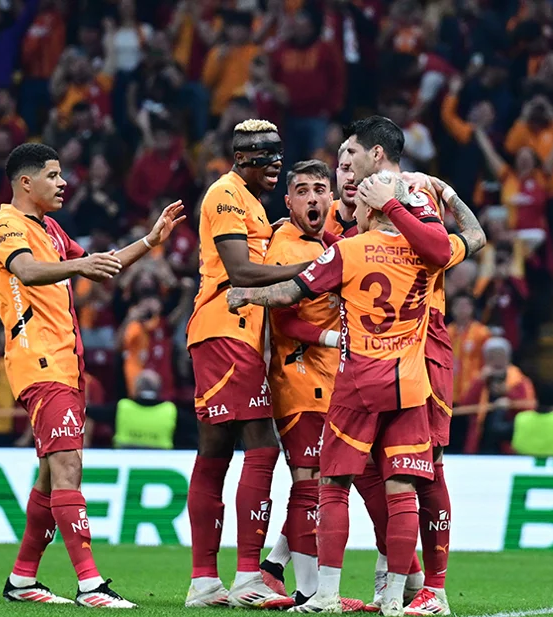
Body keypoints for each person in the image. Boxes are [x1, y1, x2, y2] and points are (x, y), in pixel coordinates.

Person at [226, 171, 466, 616]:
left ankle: (326, 595)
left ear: (371, 209)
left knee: (332, 487)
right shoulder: (426, 253)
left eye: (358, 205)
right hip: (410, 386)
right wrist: (445, 192)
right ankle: (394, 597)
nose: (349, 211)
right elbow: (474, 235)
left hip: (358, 384)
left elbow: (290, 292)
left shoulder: (348, 251)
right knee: (402, 492)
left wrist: (247, 295)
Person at [0, 141, 185, 607]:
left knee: (50, 477)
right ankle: (90, 585)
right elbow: (27, 271)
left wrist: (150, 242)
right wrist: (79, 264)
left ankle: (22, 580)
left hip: (66, 364)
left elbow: (101, 265)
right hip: (39, 362)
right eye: (53, 176)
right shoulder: (5, 226)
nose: (63, 183)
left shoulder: (50, 228)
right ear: (26, 182)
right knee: (69, 467)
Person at [346, 117, 486, 615]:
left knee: (425, 468)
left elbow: (451, 245)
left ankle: (435, 588)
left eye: (350, 155)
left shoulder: (411, 192)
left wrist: (440, 192)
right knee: (371, 467)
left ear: (376, 154)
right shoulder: (364, 202)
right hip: (373, 350)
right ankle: (399, 577)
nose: (345, 166)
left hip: (422, 343)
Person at [183, 119, 309, 610]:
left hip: (234, 334)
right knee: (262, 445)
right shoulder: (226, 194)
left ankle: (203, 582)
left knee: (214, 451)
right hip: (226, 328)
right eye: (264, 155)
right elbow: (239, 271)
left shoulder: (253, 203)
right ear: (240, 158)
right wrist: (316, 271)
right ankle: (248, 576)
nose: (275, 162)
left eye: (278, 153)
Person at [256, 160, 354, 608]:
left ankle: (279, 569)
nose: (313, 198)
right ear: (288, 201)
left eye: (319, 189)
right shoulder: (284, 245)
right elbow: (284, 319)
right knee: (310, 482)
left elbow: (337, 250)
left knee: (321, 482)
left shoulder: (325, 243)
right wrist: (335, 338)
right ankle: (310, 590)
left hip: (329, 380)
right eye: (302, 191)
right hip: (299, 379)